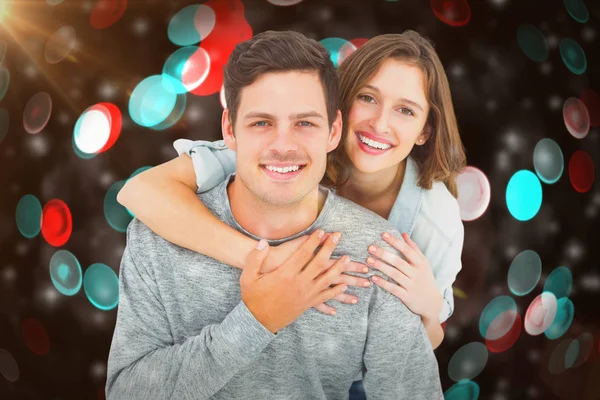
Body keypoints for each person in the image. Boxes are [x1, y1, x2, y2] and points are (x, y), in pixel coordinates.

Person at [106, 30, 443, 399]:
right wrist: (255, 322)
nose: (283, 146)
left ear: (334, 131)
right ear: (229, 131)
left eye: (305, 123)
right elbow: (126, 392)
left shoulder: (379, 256)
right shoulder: (156, 236)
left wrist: (433, 312)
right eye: (262, 123)